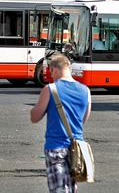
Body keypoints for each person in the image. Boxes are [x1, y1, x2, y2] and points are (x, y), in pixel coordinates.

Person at [30, 53, 91, 193]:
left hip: (55, 147)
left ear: (55, 70)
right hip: (76, 148)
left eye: (51, 72)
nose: (52, 76)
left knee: (58, 189)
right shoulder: (86, 91)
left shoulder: (50, 89)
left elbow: (35, 117)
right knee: (70, 187)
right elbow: (83, 120)